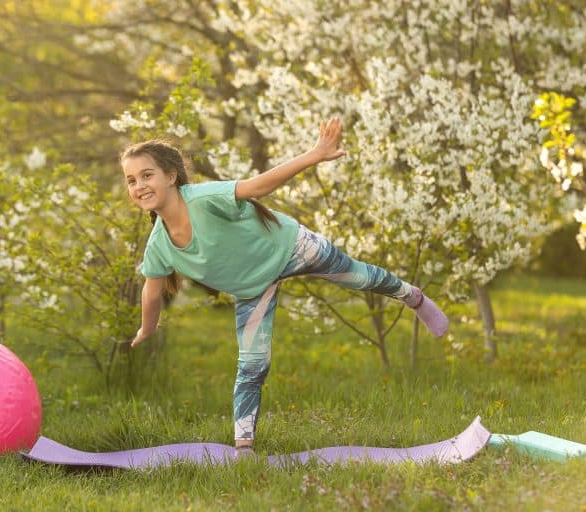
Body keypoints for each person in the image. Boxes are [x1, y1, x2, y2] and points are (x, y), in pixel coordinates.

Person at [121, 117, 449, 454]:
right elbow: (152, 290)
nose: (139, 185)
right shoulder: (159, 245)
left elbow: (258, 187)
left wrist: (315, 154)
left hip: (292, 247)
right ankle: (244, 449)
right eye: (132, 180)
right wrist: (147, 329)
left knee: (358, 277)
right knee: (251, 365)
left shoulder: (202, 199)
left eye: (147, 175)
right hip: (253, 289)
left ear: (171, 176)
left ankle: (413, 297)